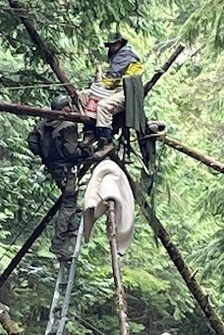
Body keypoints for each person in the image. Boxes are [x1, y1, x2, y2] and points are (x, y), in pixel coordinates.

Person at [27, 95, 88, 262]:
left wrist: (46, 154)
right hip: (66, 169)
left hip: (54, 168)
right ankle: (59, 244)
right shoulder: (67, 125)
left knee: (71, 204)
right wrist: (83, 152)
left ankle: (72, 225)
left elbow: (32, 141)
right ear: (65, 108)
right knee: (69, 203)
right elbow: (71, 152)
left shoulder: (43, 124)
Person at [81, 32, 143, 158]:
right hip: (116, 89)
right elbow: (110, 83)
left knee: (103, 106)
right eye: (110, 45)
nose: (112, 48)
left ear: (120, 44)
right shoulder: (117, 55)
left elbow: (111, 80)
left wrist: (100, 81)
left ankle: (107, 142)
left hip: (128, 91)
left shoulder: (125, 54)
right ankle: (90, 130)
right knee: (83, 95)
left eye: (114, 45)